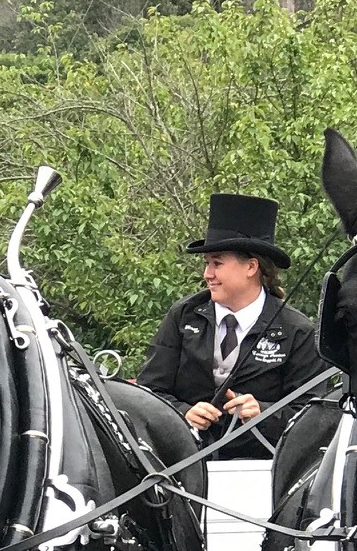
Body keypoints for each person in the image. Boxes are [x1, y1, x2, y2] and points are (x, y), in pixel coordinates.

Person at [136, 192, 327, 460]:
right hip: (184, 467)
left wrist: (264, 412)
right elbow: (147, 393)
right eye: (207, 264)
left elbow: (315, 416)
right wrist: (182, 412)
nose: (207, 275)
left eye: (217, 264)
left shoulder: (296, 330)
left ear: (251, 267)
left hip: (263, 471)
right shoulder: (183, 316)